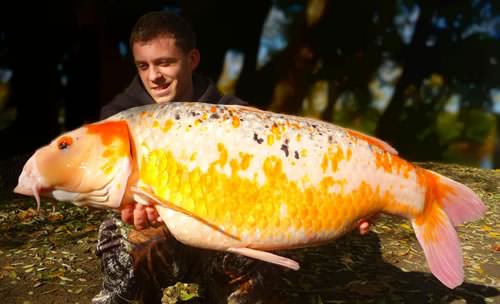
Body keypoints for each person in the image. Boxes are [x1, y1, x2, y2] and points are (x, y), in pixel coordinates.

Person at [92, 11, 375, 304]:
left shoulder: (237, 116)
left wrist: (354, 199)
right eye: (144, 66)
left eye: (165, 63)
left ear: (192, 60)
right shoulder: (117, 121)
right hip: (156, 229)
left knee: (268, 248)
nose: (154, 76)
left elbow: (292, 174)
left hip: (227, 236)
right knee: (120, 240)